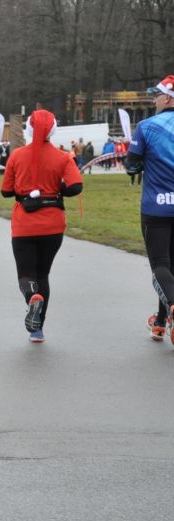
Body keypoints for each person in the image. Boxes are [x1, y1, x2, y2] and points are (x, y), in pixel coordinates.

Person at [0, 109, 83, 343]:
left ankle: (31, 297)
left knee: (26, 274)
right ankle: (38, 330)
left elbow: (5, 191)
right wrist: (58, 190)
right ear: (53, 130)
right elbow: (76, 186)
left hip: (25, 224)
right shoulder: (63, 157)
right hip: (53, 225)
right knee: (43, 274)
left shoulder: (17, 156)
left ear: (29, 129)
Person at [125, 74, 174, 344]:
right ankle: (159, 322)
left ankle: (172, 310)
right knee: (171, 268)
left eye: (157, 95)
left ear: (168, 98)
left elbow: (131, 166)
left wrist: (145, 163)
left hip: (157, 207)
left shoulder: (146, 126)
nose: (154, 99)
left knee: (160, 265)